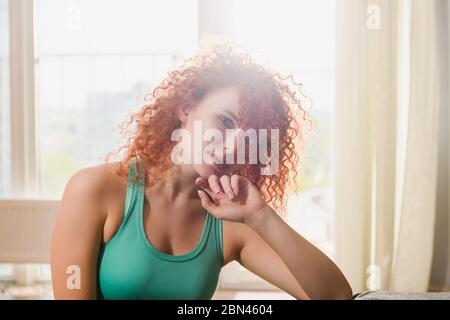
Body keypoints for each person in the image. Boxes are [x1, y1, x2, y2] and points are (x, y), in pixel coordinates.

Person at [50, 39, 352, 300]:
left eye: (249, 137)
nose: (233, 146)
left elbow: (335, 295)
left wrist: (261, 216)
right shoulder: (94, 189)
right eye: (224, 121)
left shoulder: (231, 220)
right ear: (186, 107)